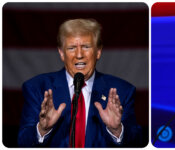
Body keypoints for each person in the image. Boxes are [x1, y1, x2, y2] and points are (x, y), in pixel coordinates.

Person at [18, 18, 141, 147]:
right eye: (71, 48)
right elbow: (22, 143)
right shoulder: (37, 88)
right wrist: (42, 130)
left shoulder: (122, 91)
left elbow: (137, 142)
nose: (79, 55)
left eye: (86, 47)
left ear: (98, 51)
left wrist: (117, 130)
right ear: (61, 53)